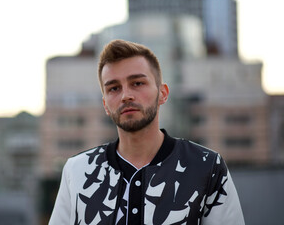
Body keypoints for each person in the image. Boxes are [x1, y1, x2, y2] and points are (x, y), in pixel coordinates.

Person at [49, 39, 245, 224]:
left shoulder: (207, 167)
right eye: (114, 88)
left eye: (137, 83)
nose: (126, 95)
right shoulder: (76, 171)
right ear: (105, 105)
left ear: (163, 93)